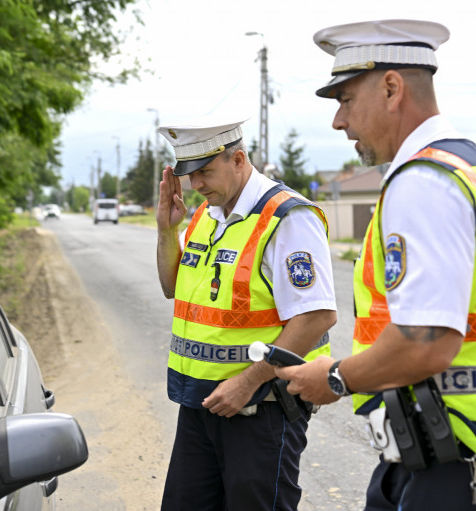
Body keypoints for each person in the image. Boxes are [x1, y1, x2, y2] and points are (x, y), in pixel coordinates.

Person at [276, 19, 476, 511]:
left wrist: (334, 377)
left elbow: (426, 342)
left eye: (345, 100)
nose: (338, 121)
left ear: (391, 88)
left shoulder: (423, 180)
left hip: (458, 462)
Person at [155, 116, 337, 510]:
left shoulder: (289, 218)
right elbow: (172, 287)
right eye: (190, 174)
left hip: (261, 407)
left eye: (205, 171)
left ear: (238, 160)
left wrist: (246, 383)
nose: (196, 184)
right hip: (201, 403)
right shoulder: (206, 215)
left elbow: (317, 316)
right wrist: (167, 232)